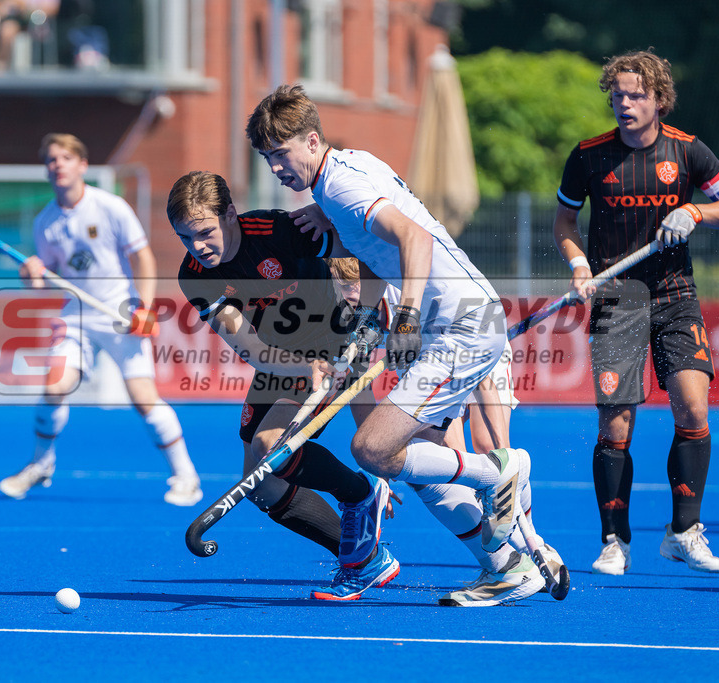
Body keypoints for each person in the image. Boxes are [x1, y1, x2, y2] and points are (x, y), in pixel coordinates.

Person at [247, 85, 563, 606]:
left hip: (457, 327)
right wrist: (371, 315)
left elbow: (413, 237)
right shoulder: (343, 172)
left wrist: (408, 314)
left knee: (371, 448)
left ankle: (501, 470)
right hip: (455, 322)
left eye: (281, 154)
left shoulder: (342, 188)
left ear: (310, 140)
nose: (276, 168)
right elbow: (379, 249)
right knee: (419, 461)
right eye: (266, 158)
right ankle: (507, 566)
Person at [552, 50, 719, 575]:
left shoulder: (688, 152)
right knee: (616, 425)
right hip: (616, 299)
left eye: (636, 94)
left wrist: (695, 210)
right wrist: (577, 264)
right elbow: (564, 224)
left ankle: (684, 531)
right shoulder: (589, 156)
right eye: (617, 95)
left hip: (675, 294)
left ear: (659, 99)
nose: (624, 103)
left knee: (693, 409)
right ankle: (614, 541)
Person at [168, 170, 396, 601]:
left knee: (269, 444)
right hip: (283, 357)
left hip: (337, 342)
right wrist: (299, 366)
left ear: (230, 215)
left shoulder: (278, 229)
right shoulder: (195, 274)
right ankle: (364, 559)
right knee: (262, 483)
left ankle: (361, 495)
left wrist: (366, 314)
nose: (197, 247)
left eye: (203, 232)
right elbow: (249, 346)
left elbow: (364, 252)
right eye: (184, 237)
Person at [328, 257, 563, 591]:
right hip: (430, 370)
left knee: (486, 451)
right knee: (438, 466)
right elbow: (359, 387)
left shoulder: (410, 300)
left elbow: (482, 380)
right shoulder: (354, 313)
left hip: (476, 348)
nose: (347, 295)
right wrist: (379, 470)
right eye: (338, 285)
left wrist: (504, 451)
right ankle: (505, 562)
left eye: (351, 285)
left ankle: (528, 543)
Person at [0, 133, 203, 508]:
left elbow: (143, 258)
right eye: (51, 159)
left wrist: (143, 306)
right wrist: (32, 277)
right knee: (54, 386)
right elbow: (47, 285)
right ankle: (41, 464)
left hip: (121, 312)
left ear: (82, 165)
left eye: (64, 157)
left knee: (143, 399)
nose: (57, 164)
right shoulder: (45, 223)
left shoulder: (110, 207)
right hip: (76, 316)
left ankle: (187, 477)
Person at [0, 0, 60, 72]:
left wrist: (26, 7)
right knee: (7, 30)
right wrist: (1, 10)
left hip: (40, 23)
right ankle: (1, 65)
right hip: (16, 19)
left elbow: (53, 9)